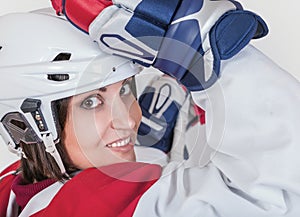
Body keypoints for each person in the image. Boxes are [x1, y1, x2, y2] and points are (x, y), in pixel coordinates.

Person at [1, 2, 300, 217]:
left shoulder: (13, 185)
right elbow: (279, 195)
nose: (131, 120)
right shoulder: (85, 205)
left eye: (127, 90)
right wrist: (209, 51)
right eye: (91, 101)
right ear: (23, 125)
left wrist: (150, 156)